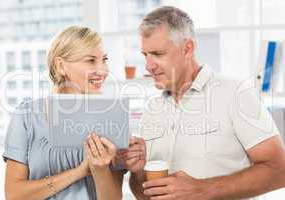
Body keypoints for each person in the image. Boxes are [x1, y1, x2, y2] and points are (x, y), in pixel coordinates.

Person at [118, 6, 285, 200]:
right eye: (145, 55)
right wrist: (138, 172)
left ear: (187, 48)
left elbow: (279, 170)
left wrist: (202, 189)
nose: (148, 66)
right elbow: (145, 195)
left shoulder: (236, 93)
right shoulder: (151, 110)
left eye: (158, 54)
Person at [3, 26, 124, 200]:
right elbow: (14, 195)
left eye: (104, 59)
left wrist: (100, 169)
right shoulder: (27, 116)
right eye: (91, 60)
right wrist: (79, 172)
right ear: (61, 66)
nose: (103, 70)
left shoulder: (111, 118)